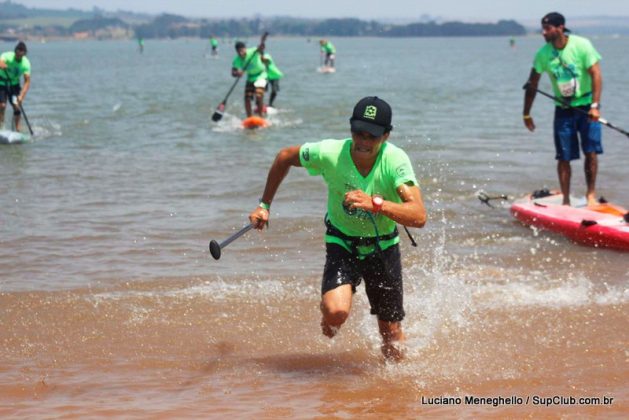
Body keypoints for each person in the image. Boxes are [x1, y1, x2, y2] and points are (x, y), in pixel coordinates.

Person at [248, 97, 427, 360]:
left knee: (390, 333)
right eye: (358, 133)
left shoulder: (395, 161)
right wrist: (264, 204)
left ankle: (395, 393)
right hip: (342, 242)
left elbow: (419, 215)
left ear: (386, 136)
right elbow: (285, 157)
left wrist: (374, 203)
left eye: (372, 136)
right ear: (350, 129)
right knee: (336, 313)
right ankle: (330, 318)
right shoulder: (330, 153)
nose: (364, 142)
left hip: (383, 247)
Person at [523, 12, 602, 206]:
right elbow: (532, 84)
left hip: (587, 107)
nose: (543, 32)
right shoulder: (543, 54)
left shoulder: (581, 45)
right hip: (563, 109)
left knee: (590, 151)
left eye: (547, 28)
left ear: (560, 27)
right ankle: (566, 200)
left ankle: (590, 194)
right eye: (542, 28)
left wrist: (595, 106)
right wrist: (526, 113)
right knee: (564, 156)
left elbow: (596, 75)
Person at [232, 40, 268, 118]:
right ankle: (249, 117)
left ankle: (261, 116)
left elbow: (261, 48)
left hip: (261, 75)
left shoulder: (253, 51)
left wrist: (261, 45)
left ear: (245, 48)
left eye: (242, 51)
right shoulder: (237, 60)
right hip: (250, 77)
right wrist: (237, 73)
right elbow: (233, 72)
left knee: (258, 96)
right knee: (247, 99)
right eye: (238, 52)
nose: (241, 54)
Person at [0, 41, 31, 132]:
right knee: (2, 105)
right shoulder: (7, 56)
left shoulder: (26, 63)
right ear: (15, 52)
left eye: (21, 56)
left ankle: (17, 129)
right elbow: (1, 60)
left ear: (24, 54)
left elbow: (27, 82)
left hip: (14, 85)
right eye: (17, 55)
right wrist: (1, 64)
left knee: (17, 106)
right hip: (2, 83)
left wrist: (21, 96)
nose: (19, 58)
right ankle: (1, 127)